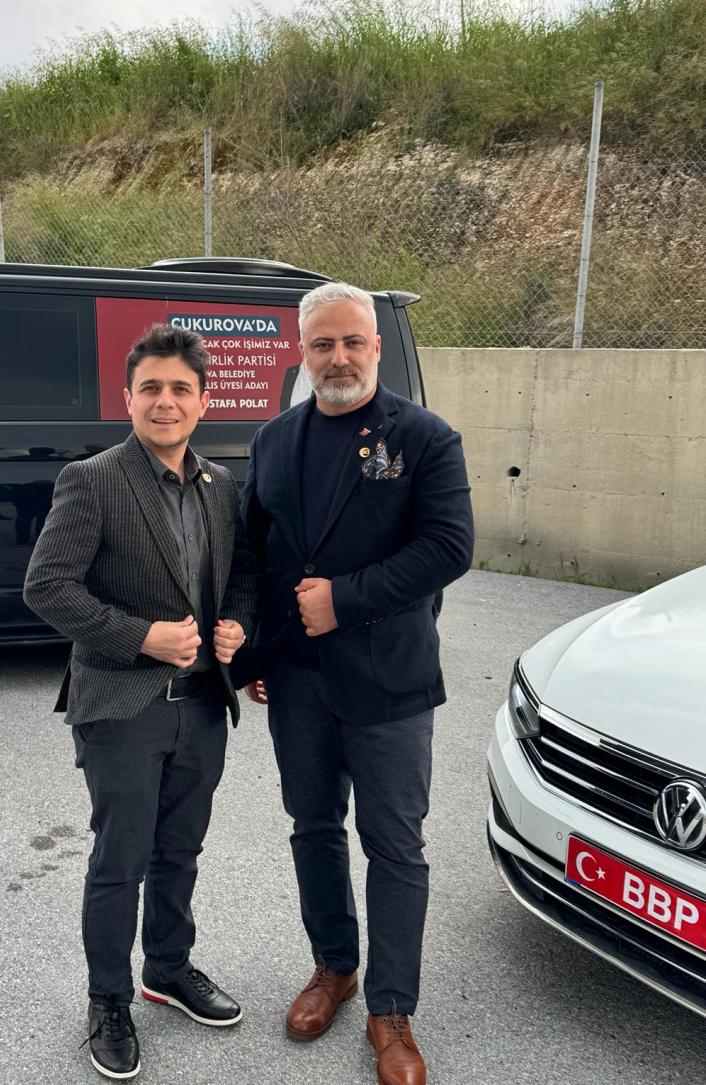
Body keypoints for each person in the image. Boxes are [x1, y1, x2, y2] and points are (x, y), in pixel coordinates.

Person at [235, 282, 473, 1085]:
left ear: (375, 346)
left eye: (352, 342)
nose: (338, 357)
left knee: (395, 844)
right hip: (298, 679)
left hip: (388, 680)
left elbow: (449, 546)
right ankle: (334, 965)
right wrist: (256, 653)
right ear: (301, 352)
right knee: (312, 825)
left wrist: (346, 598)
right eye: (322, 344)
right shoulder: (274, 440)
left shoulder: (425, 437)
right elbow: (255, 555)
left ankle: (391, 1007)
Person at [24, 325, 257, 1081]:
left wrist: (237, 623)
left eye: (180, 388)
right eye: (150, 387)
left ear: (203, 401)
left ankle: (167, 967)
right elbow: (47, 586)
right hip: (124, 706)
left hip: (204, 706)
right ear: (127, 397)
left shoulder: (222, 486)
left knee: (180, 851)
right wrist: (142, 636)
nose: (165, 401)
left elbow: (243, 574)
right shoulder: (92, 480)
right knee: (120, 862)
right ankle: (108, 1000)